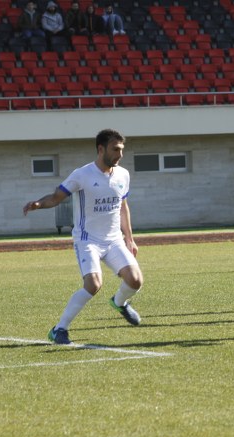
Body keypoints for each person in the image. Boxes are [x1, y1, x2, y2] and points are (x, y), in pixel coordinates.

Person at [23, 129, 144, 345]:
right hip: (88, 240)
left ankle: (119, 303)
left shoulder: (123, 175)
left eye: (122, 150)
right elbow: (56, 197)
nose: (120, 154)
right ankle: (59, 329)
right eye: (115, 149)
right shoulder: (82, 174)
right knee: (93, 285)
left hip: (114, 240)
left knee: (135, 280)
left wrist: (129, 238)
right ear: (101, 149)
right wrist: (38, 204)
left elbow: (123, 207)